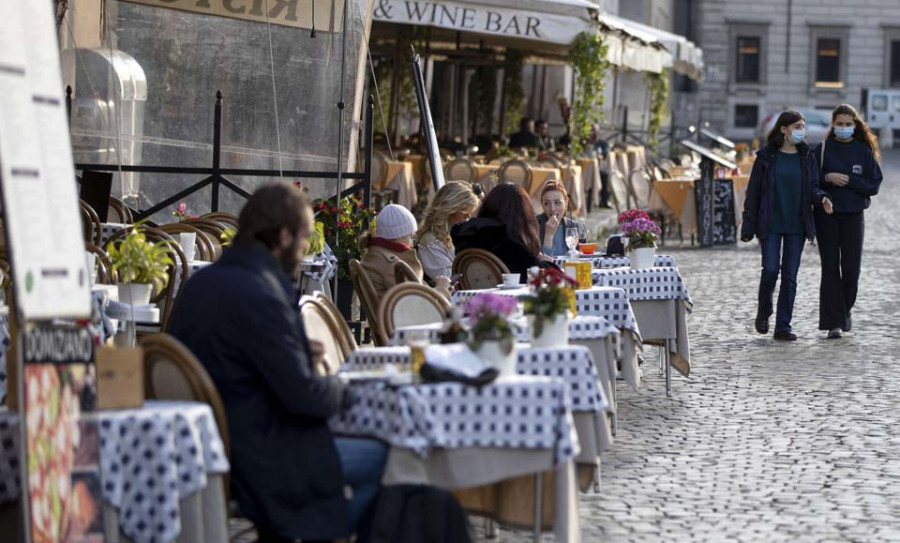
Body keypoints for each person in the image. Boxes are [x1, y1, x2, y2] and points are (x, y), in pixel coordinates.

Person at [168, 183, 386, 543]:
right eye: (304, 239)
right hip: (259, 452)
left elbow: (239, 356)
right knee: (389, 457)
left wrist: (294, 353)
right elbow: (307, 398)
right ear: (284, 237)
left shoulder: (203, 282)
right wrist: (348, 386)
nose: (304, 251)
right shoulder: (262, 293)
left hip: (206, 443)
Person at [741, 110, 834, 341]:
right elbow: (753, 193)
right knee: (771, 269)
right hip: (770, 223)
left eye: (802, 127)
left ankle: (783, 325)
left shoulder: (807, 157)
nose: (802, 131)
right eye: (797, 127)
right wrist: (748, 226)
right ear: (784, 129)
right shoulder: (765, 157)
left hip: (797, 224)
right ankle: (764, 311)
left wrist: (822, 197)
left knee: (790, 276)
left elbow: (813, 186)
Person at [811, 104, 883, 339]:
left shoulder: (863, 151)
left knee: (852, 269)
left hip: (853, 216)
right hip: (827, 216)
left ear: (855, 125)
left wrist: (851, 180)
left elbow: (873, 185)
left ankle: (845, 310)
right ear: (833, 125)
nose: (843, 128)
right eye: (839, 124)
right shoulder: (821, 150)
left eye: (847, 124)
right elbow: (811, 181)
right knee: (830, 268)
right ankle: (834, 323)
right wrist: (827, 178)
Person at [451, 183, 553, 280]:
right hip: (504, 297)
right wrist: (544, 262)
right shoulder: (508, 241)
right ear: (523, 212)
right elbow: (530, 273)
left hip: (470, 296)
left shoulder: (465, 234)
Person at [360, 203, 451, 302]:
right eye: (410, 237)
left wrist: (437, 289)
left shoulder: (377, 254)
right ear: (399, 236)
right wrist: (442, 289)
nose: (412, 243)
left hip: (391, 314)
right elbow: (416, 304)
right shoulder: (391, 265)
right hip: (400, 316)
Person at [415, 181, 480, 282]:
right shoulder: (429, 241)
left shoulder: (451, 236)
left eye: (470, 214)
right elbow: (447, 278)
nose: (468, 218)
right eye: (465, 213)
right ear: (450, 210)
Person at [536, 180, 583, 257]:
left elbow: (583, 259)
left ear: (566, 202)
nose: (552, 209)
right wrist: (548, 235)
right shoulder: (534, 225)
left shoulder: (576, 227)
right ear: (542, 204)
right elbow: (541, 262)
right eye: (546, 203)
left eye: (557, 203)